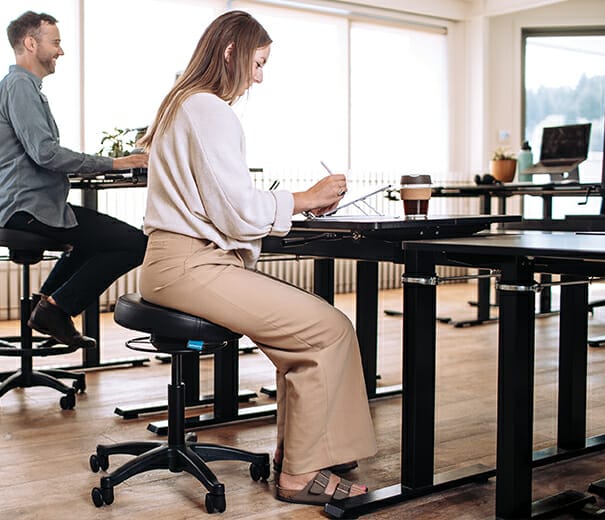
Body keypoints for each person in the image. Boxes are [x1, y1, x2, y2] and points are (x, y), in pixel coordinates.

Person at [138, 10, 377, 506]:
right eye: (259, 62)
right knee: (327, 328)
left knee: (305, 335)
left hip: (174, 263)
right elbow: (238, 211)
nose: (259, 77)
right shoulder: (207, 108)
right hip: (191, 264)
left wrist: (288, 203)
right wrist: (306, 197)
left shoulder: (182, 104)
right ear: (232, 52)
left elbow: (223, 203)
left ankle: (305, 455)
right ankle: (299, 474)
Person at [0, 11, 149, 348]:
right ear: (30, 42)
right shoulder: (20, 86)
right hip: (28, 209)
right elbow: (46, 154)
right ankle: (54, 308)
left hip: (31, 205)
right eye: (56, 43)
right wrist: (117, 162)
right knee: (135, 243)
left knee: (92, 238)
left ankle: (48, 305)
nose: (61, 52)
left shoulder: (24, 88)